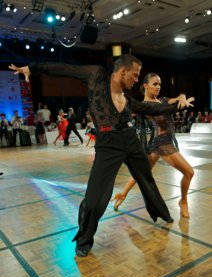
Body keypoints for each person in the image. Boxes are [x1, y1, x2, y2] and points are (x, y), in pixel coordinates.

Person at [9, 55, 191, 258]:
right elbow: (65, 67)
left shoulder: (129, 100)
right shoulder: (97, 76)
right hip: (108, 146)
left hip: (130, 141)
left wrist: (178, 105)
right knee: (95, 200)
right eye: (135, 75)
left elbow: (152, 107)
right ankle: (84, 240)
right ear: (123, 71)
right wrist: (33, 68)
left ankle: (162, 213)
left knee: (146, 178)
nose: (137, 80)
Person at [112, 73, 194, 218]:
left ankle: (122, 195)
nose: (158, 87)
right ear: (145, 86)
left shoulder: (162, 100)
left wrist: (181, 98)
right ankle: (183, 201)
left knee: (142, 173)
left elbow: (176, 99)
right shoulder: (143, 106)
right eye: (155, 84)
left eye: (160, 84)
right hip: (162, 143)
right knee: (189, 172)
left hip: (157, 143)